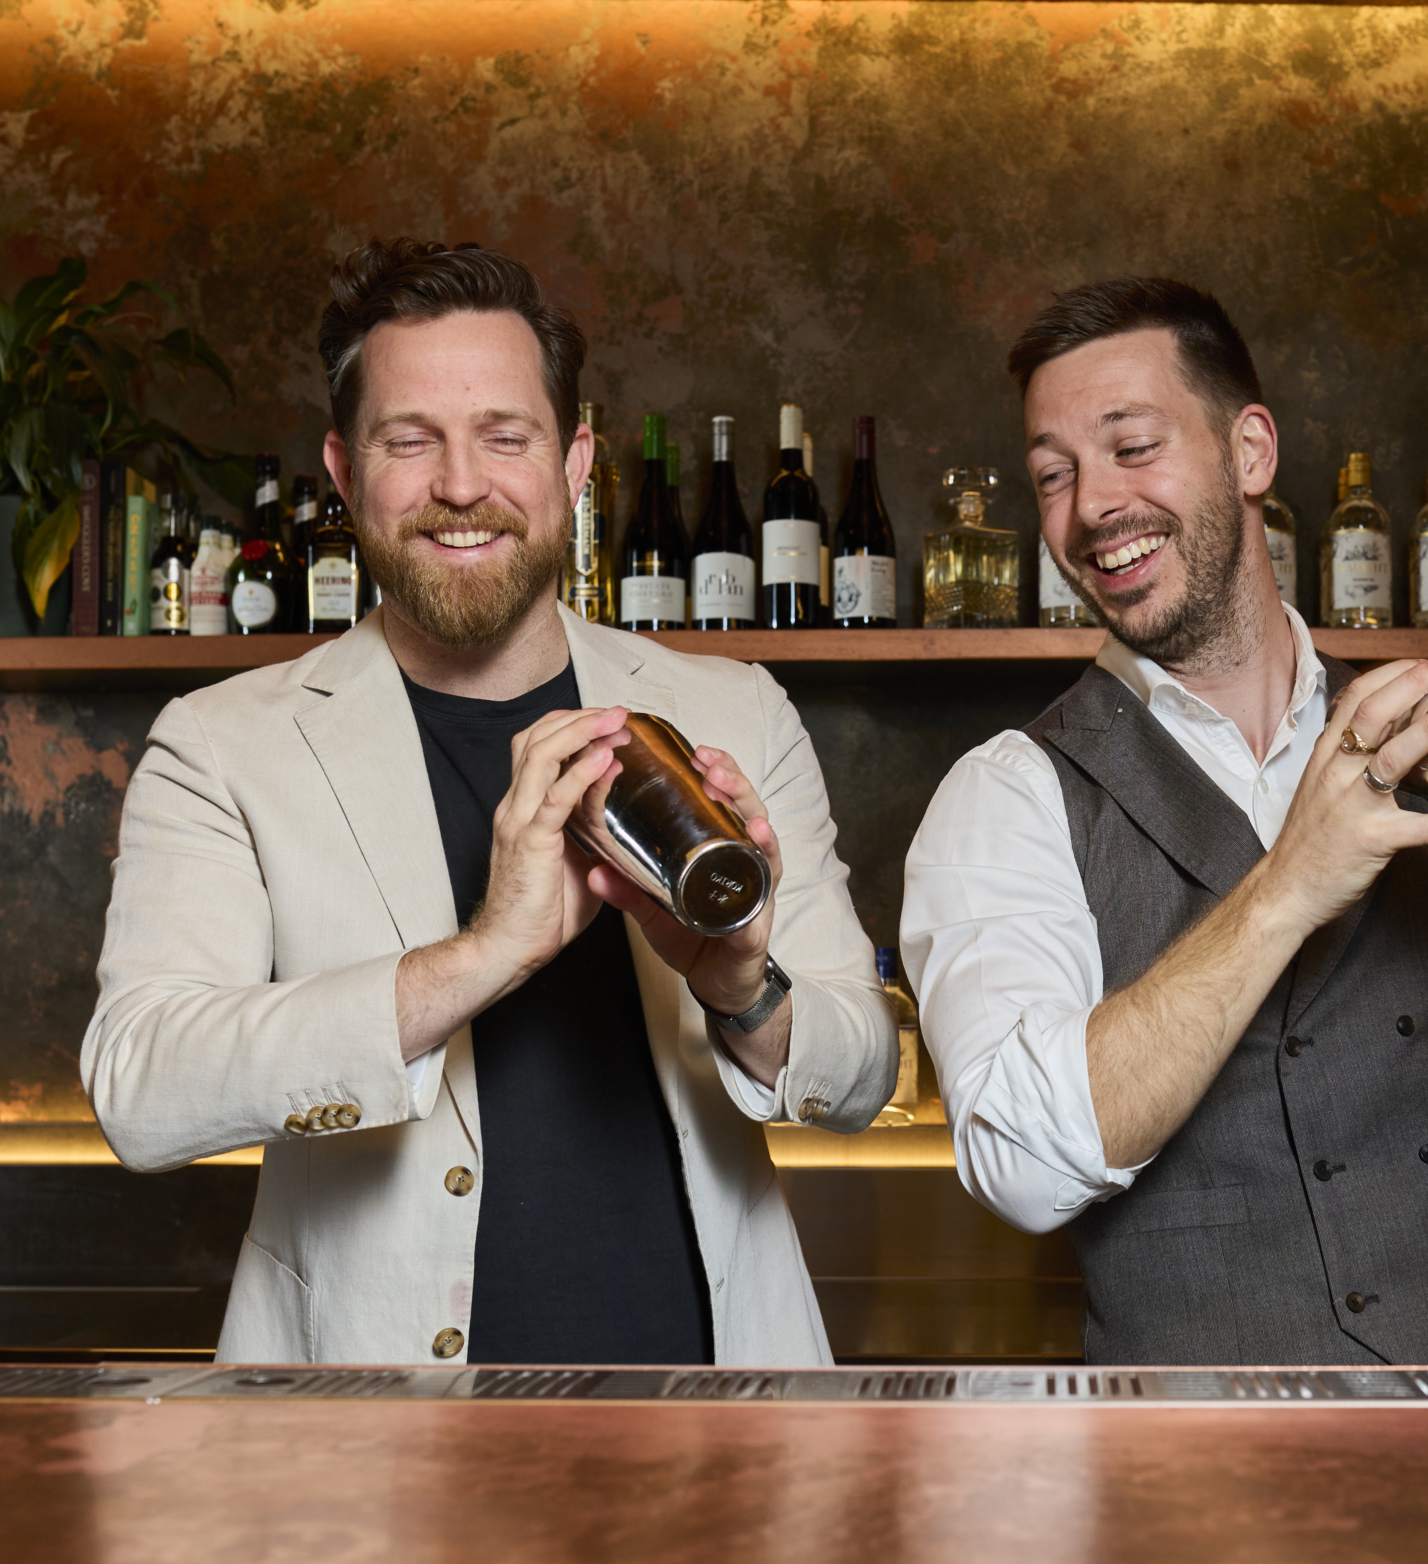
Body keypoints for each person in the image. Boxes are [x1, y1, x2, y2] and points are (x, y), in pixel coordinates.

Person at [901, 277, 1428, 1365]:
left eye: (1132, 447)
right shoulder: (1008, 796)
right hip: (1207, 1488)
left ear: (1250, 451)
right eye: (1052, 475)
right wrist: (1285, 886)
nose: (1091, 509)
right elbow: (1021, 1167)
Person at [82, 240, 893, 1368]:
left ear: (574, 464)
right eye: (409, 440)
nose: (460, 484)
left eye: (504, 437)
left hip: (717, 1439)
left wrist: (740, 986)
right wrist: (479, 958)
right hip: (370, 1460)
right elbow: (143, 1087)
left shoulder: (735, 714)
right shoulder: (224, 746)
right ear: (343, 469)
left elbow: (862, 1076)